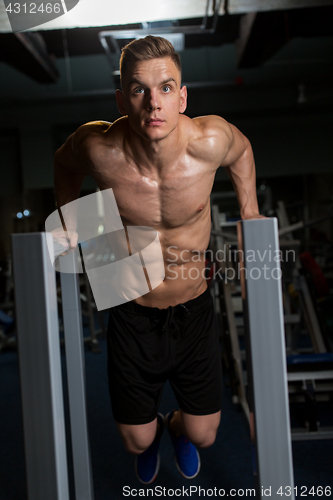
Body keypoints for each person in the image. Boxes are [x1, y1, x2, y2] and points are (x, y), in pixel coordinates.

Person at [54, 35, 262, 484]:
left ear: (183, 96)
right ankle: (153, 435)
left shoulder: (210, 140)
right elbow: (63, 162)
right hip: (133, 309)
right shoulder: (99, 149)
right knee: (137, 441)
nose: (154, 103)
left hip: (194, 308)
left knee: (205, 434)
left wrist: (249, 214)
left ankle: (177, 429)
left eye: (166, 88)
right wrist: (71, 219)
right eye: (139, 90)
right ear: (121, 98)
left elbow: (242, 152)